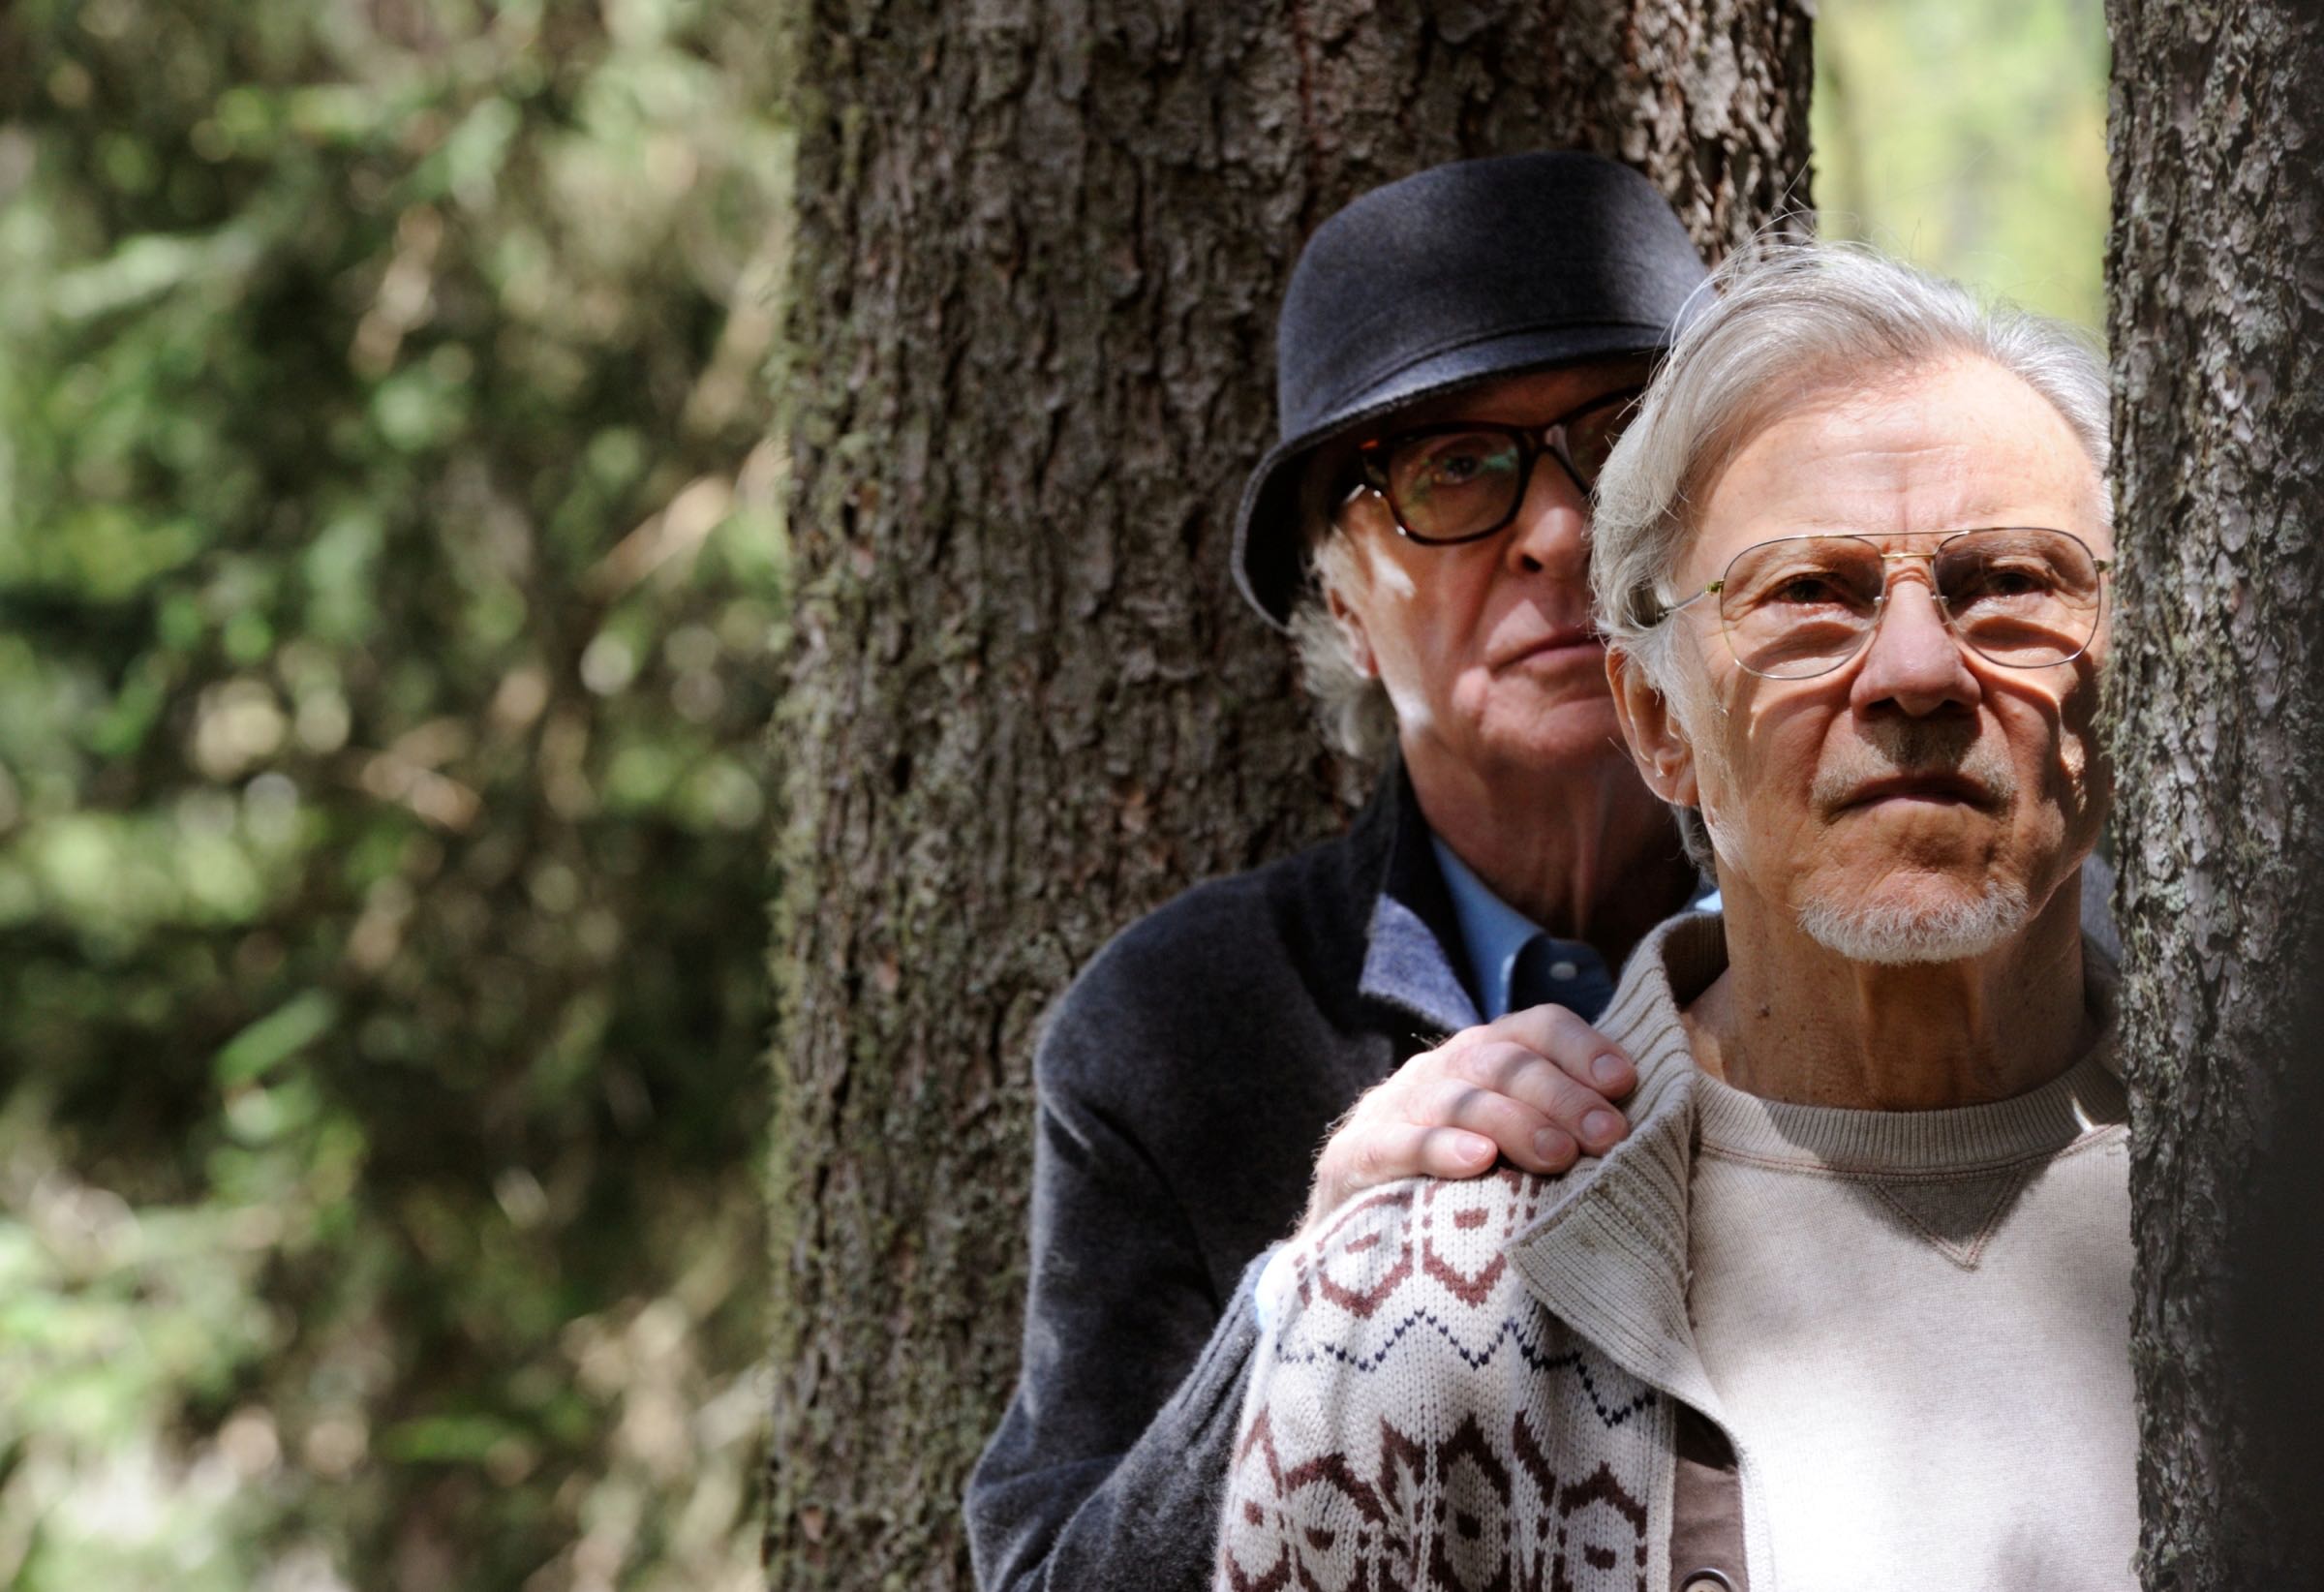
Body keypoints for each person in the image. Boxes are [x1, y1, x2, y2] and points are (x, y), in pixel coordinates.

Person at [1213, 241, 2134, 1592]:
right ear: (1658, 723)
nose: (1919, 670)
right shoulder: (1402, 1322)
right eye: (1807, 596)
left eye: (2013, 583)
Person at [965, 152, 1725, 1592]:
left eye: (1624, 445)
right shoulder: (1176, 1032)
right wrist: (1313, 1295)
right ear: (1344, 604)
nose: (1560, 530)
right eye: (1455, 471)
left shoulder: (1919, 936)